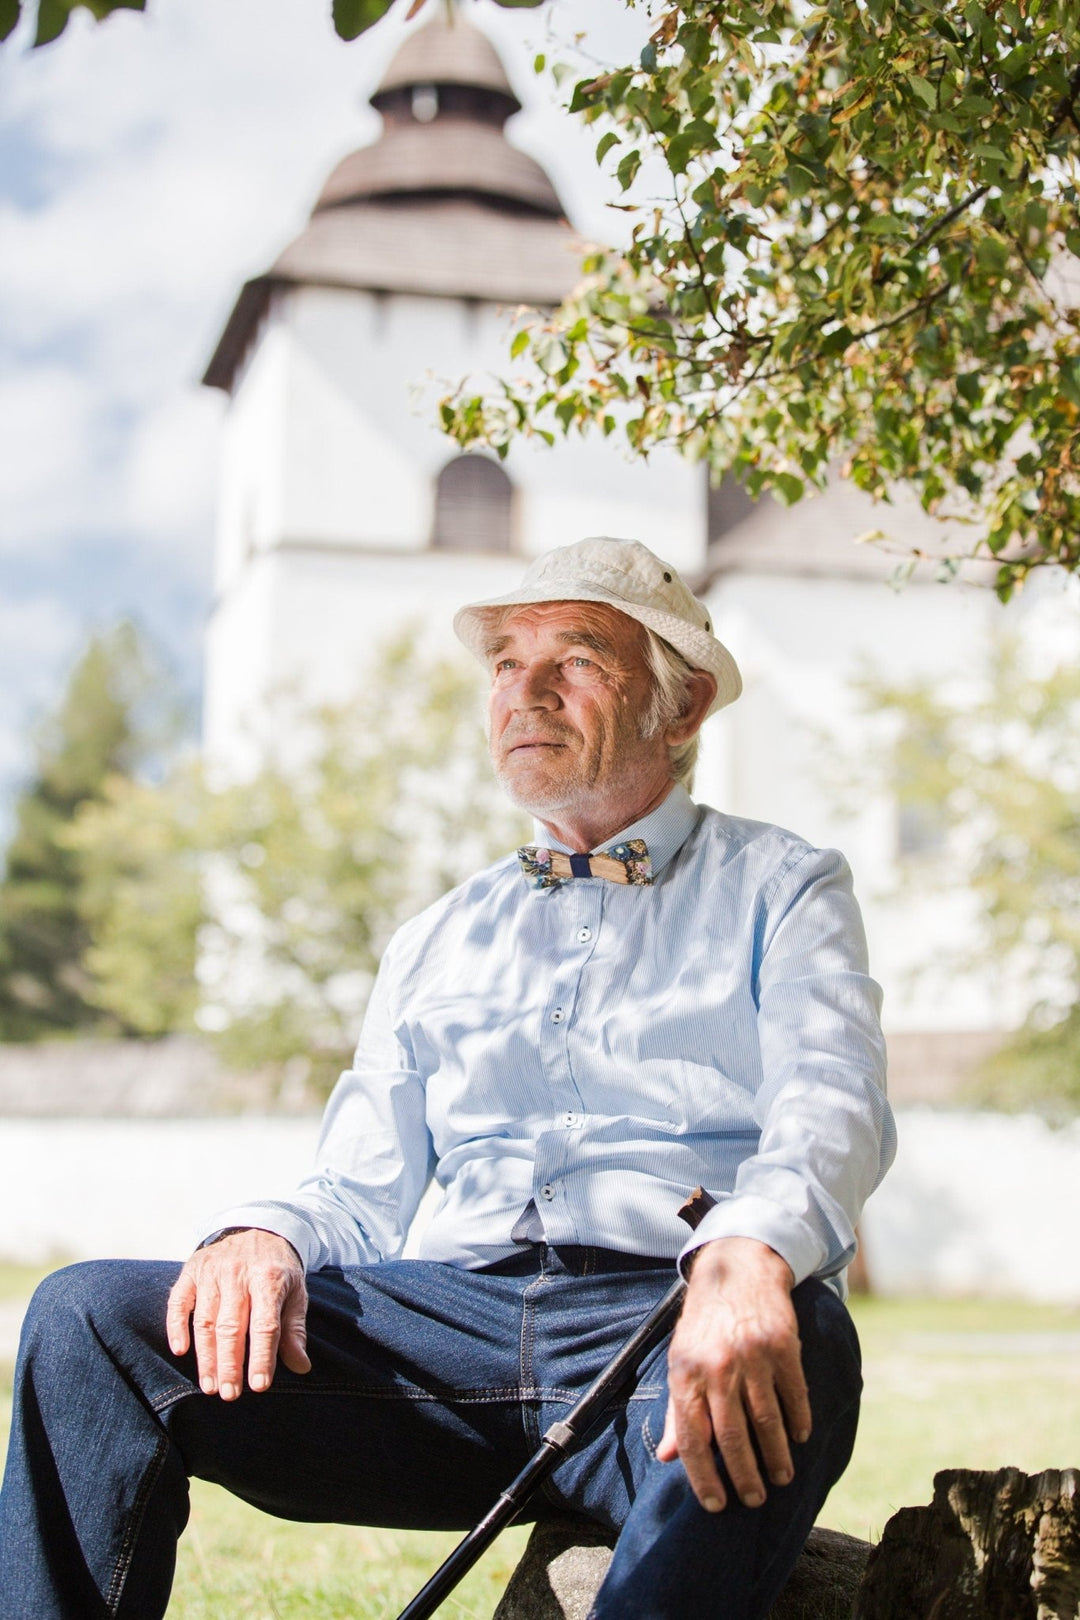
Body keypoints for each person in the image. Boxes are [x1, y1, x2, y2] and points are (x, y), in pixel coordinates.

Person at [0, 536, 895, 1620]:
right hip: (446, 1343)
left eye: (573, 660)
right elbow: (359, 1185)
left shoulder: (785, 885)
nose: (526, 692)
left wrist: (748, 1254)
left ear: (684, 702)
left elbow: (830, 1102)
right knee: (87, 1319)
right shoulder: (437, 936)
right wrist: (262, 1237)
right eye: (506, 665)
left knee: (795, 1330)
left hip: (665, 1321)